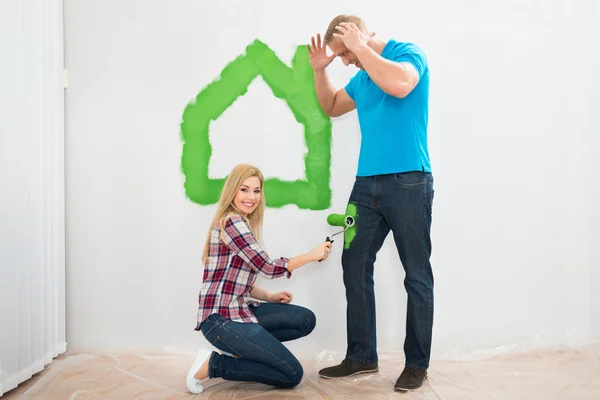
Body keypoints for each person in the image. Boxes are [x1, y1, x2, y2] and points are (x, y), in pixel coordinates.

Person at [306, 15, 435, 391]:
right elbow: (331, 104)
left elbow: (399, 85)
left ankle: (417, 363)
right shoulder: (362, 79)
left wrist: (360, 47)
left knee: (416, 273)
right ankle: (361, 356)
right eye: (340, 55)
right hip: (366, 187)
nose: (345, 60)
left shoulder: (407, 55)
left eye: (345, 52)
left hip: (410, 181)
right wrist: (319, 70)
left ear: (360, 36)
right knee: (354, 263)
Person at [186, 163, 333, 394]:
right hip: (221, 320)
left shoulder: (239, 222)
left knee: (305, 319)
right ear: (232, 190)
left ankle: (247, 347)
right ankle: (214, 365)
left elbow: (233, 279)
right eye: (244, 189)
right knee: (292, 374)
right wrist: (312, 256)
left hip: (239, 310)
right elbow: (266, 267)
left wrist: (268, 296)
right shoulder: (232, 222)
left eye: (256, 191)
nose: (251, 197)